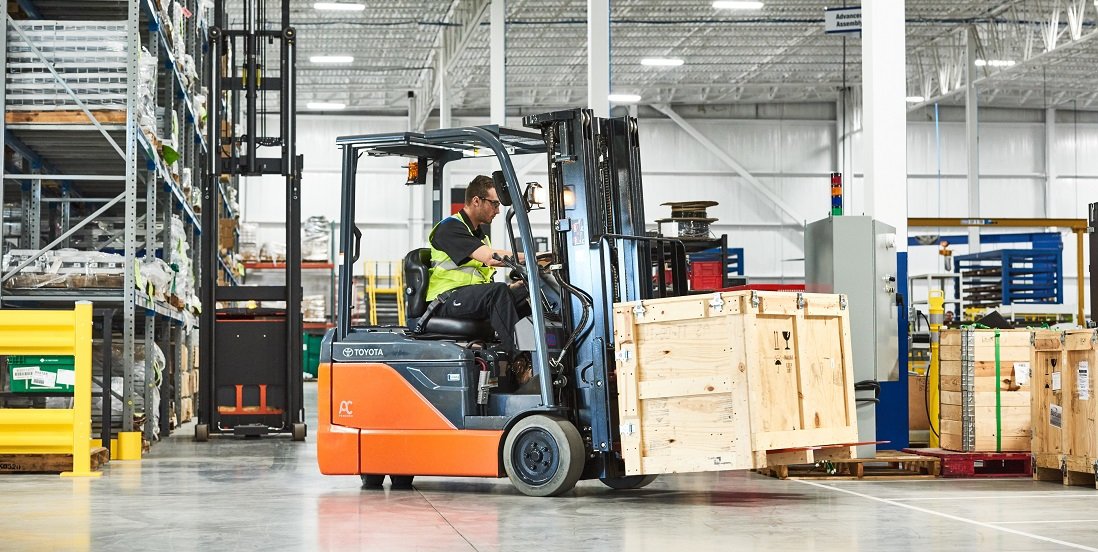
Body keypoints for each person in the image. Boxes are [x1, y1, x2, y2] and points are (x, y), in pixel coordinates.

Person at [425, 174, 529, 357]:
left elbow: (480, 279)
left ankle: (539, 355)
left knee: (526, 291)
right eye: (495, 204)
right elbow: (490, 258)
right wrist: (532, 258)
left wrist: (515, 287)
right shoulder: (449, 228)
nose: (497, 211)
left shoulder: (478, 236)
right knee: (497, 292)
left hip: (468, 298)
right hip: (446, 300)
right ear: (476, 201)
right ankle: (522, 363)